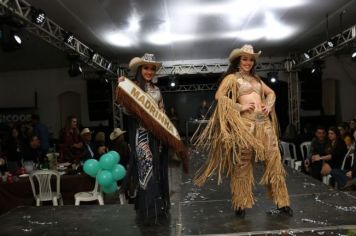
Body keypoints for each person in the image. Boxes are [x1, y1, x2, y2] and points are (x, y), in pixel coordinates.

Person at [194, 44, 292, 218]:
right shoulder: (232, 78)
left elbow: (271, 93)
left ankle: (282, 202)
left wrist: (268, 105)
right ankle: (240, 203)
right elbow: (219, 96)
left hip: (264, 125)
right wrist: (240, 106)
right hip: (245, 126)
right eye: (244, 59)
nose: (248, 62)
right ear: (238, 61)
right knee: (243, 164)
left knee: (274, 163)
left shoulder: (257, 80)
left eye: (251, 59)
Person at [117, 53, 170, 222]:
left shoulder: (157, 91)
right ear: (140, 69)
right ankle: (148, 210)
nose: (149, 71)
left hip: (156, 137)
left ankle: (155, 208)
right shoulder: (133, 88)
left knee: (156, 170)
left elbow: (162, 113)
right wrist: (122, 91)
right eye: (146, 68)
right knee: (146, 170)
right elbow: (125, 110)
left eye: (152, 69)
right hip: (141, 136)